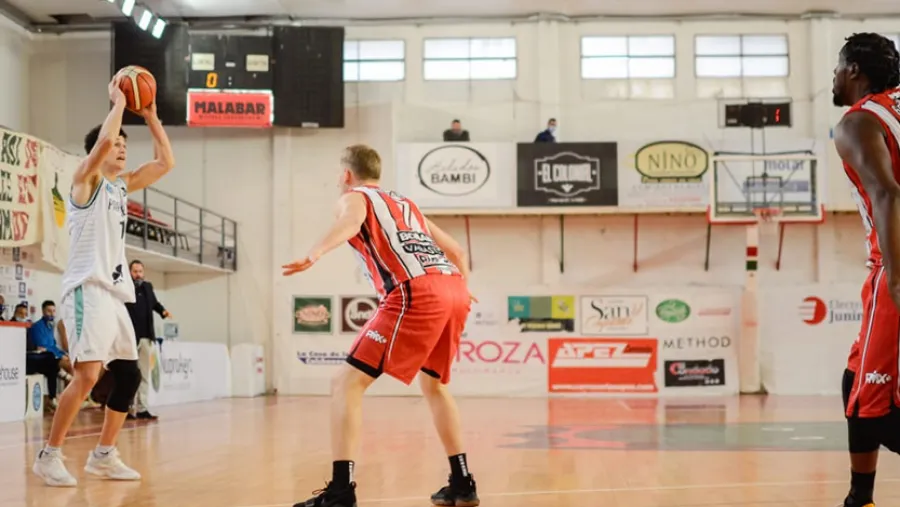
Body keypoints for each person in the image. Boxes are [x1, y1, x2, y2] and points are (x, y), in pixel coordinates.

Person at [283, 144, 479, 507]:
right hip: (455, 288)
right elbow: (458, 252)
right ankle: (462, 482)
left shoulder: (355, 197)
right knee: (434, 385)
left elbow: (349, 223)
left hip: (416, 290)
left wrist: (315, 253)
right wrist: (463, 288)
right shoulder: (407, 205)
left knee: (346, 383)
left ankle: (341, 492)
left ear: (346, 174)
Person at [32, 72, 175, 487]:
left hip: (113, 296)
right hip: (87, 289)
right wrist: (118, 103)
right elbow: (100, 148)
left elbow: (165, 163)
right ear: (100, 150)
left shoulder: (121, 187)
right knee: (88, 376)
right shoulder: (85, 181)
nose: (123, 149)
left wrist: (151, 116)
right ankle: (49, 456)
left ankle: (104, 456)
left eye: (126, 146)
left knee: (129, 376)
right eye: (117, 145)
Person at [832, 32, 900, 507]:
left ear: (854, 69)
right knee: (855, 379)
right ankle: (861, 497)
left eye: (837, 68)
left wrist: (895, 276)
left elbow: (886, 192)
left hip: (893, 261)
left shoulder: (858, 121)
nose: (834, 78)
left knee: (871, 402)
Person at [125, 259, 169, 420]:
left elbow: (154, 303)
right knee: (129, 375)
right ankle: (127, 408)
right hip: (129, 338)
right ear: (129, 273)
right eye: (135, 271)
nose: (138, 274)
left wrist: (163, 311)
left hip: (145, 337)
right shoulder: (124, 287)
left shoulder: (148, 287)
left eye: (140, 271)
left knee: (144, 375)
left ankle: (142, 408)